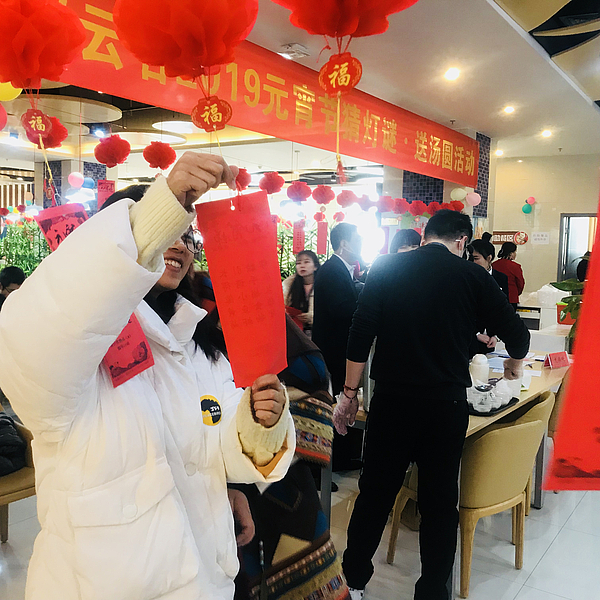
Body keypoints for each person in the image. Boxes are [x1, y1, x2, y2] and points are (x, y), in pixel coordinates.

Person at [0, 153, 296, 600]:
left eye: (187, 235)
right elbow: (36, 344)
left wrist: (258, 425)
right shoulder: (75, 348)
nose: (180, 245)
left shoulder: (200, 344)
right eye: (167, 230)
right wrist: (158, 212)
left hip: (208, 580)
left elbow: (217, 447)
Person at [334, 210, 530, 600]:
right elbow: (519, 338)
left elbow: (360, 333)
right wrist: (513, 362)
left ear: (425, 235)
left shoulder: (386, 267)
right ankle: (432, 591)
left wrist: (349, 395)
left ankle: (353, 581)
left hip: (392, 404)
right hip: (446, 406)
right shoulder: (474, 276)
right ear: (462, 241)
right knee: (439, 504)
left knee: (375, 495)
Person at [312, 223, 363, 472]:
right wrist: (365, 307)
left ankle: (344, 458)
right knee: (337, 404)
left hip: (340, 349)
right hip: (333, 351)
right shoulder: (332, 270)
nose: (361, 244)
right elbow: (340, 309)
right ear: (344, 244)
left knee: (344, 403)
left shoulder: (341, 269)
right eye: (357, 239)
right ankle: (330, 464)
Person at [467, 232, 509, 355]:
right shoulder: (466, 278)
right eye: (471, 258)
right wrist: (476, 334)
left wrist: (495, 336)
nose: (472, 262)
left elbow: (504, 309)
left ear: (489, 258)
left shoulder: (501, 278)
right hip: (469, 339)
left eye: (476, 258)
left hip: (490, 342)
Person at [282, 250, 320, 335]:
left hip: (316, 331)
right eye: (298, 263)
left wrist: (311, 317)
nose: (302, 266)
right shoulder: (289, 284)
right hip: (295, 331)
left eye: (306, 262)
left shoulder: (322, 284)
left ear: (315, 266)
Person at [493, 241, 525, 309]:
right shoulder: (515, 266)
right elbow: (520, 284)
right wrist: (516, 293)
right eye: (515, 252)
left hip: (496, 298)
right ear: (511, 253)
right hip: (511, 299)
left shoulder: (494, 265)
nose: (515, 254)